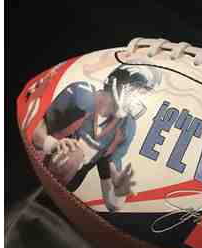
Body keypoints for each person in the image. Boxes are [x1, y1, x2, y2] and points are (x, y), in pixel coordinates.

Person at [31, 61, 161, 211]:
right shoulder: (82, 95)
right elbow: (34, 132)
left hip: (62, 198)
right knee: (73, 154)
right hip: (36, 172)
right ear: (119, 81)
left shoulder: (126, 127)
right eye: (136, 90)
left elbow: (112, 204)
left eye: (143, 93)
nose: (137, 99)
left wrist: (119, 193)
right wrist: (53, 145)